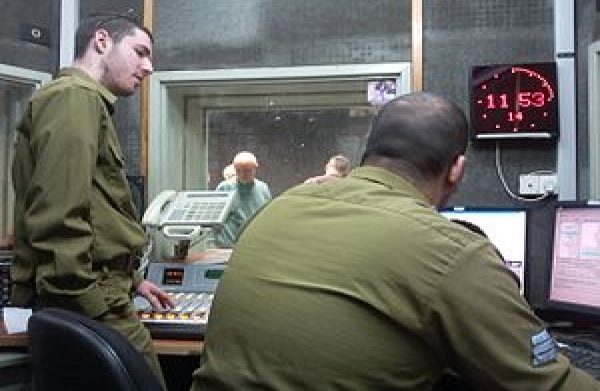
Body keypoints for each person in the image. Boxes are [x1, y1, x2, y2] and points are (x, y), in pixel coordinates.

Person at [190, 92, 598, 390]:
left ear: (368, 154)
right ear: (456, 169)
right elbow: (548, 385)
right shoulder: (451, 250)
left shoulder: (280, 207)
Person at [10, 12, 173, 387]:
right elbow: (59, 215)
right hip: (88, 298)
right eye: (140, 52)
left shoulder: (76, 99)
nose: (148, 67)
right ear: (102, 41)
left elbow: (97, 209)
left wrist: (132, 279)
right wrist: (92, 305)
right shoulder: (74, 97)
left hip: (99, 289)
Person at [214, 151, 271, 248]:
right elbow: (214, 219)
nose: (243, 174)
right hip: (228, 246)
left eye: (247, 170)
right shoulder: (225, 188)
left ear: (255, 169)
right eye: (239, 170)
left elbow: (267, 218)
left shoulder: (263, 188)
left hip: (255, 244)